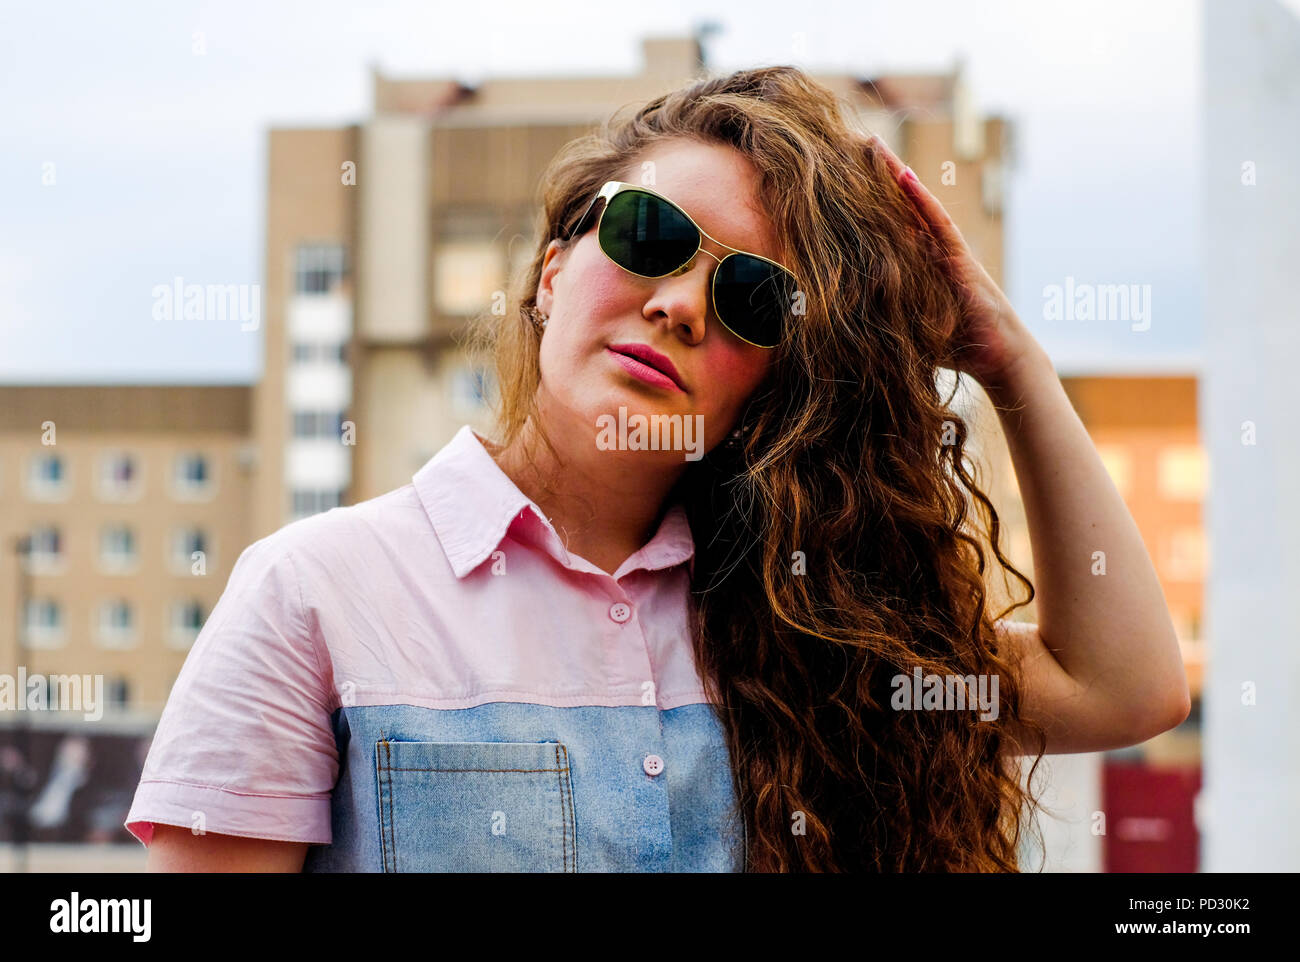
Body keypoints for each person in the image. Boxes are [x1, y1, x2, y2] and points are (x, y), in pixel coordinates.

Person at [129, 65, 1190, 872]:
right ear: (551, 271)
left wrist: (1009, 360)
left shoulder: (813, 628)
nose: (681, 302)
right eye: (650, 234)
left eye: (750, 298)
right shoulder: (314, 593)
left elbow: (1125, 688)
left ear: (770, 380)